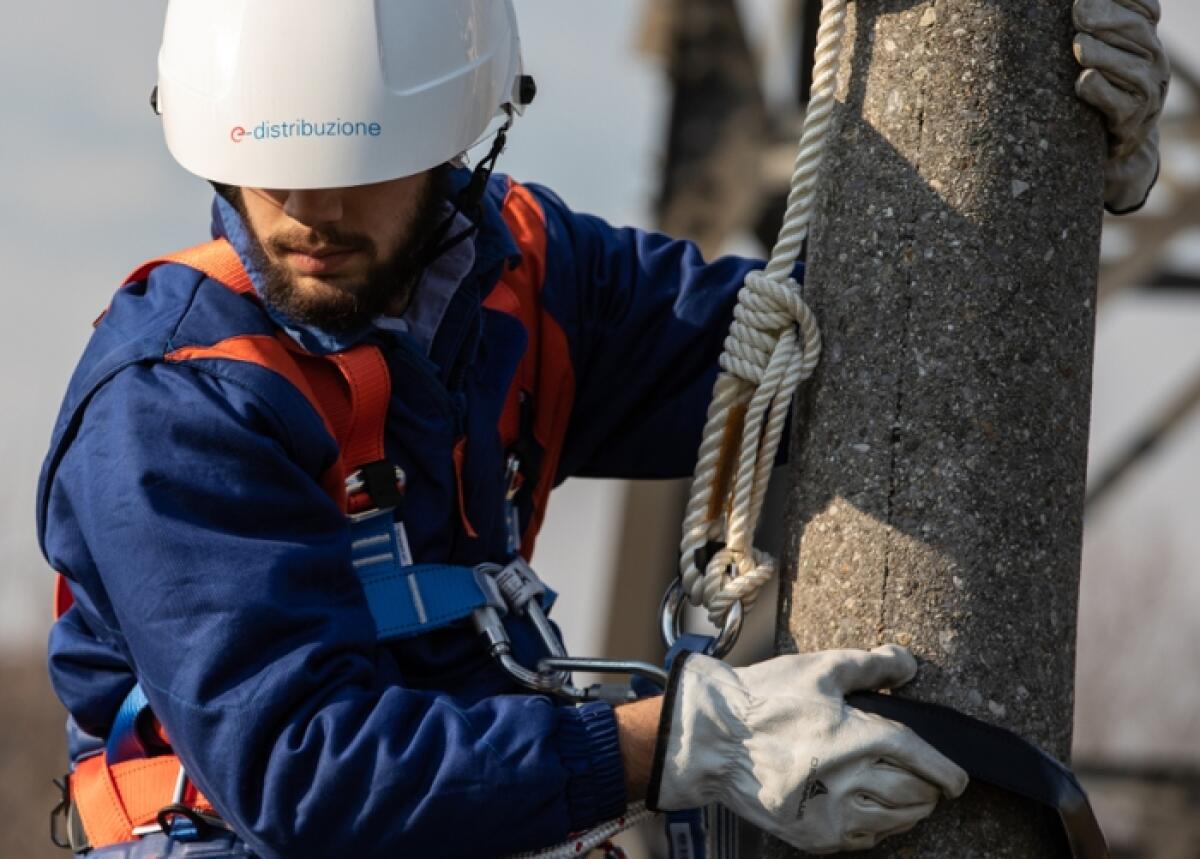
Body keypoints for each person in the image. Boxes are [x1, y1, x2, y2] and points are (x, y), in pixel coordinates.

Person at [38, 2, 1167, 857]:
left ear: (457, 137)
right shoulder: (176, 403)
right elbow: (303, 770)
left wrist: (1044, 169)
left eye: (358, 169)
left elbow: (837, 343)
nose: (309, 211)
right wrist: (675, 742)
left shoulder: (520, 284)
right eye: (264, 169)